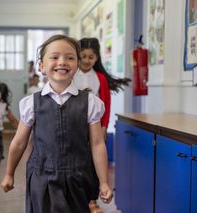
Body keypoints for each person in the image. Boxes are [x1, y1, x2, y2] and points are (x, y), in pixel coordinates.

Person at [1, 34, 113, 213]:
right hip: (41, 176)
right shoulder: (31, 103)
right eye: (54, 57)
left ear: (77, 65)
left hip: (78, 176)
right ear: (42, 66)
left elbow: (97, 144)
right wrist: (9, 173)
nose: (62, 62)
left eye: (70, 57)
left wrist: (104, 181)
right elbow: (19, 142)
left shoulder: (90, 103)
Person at [74, 38, 130, 212]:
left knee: (94, 165)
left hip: (95, 128)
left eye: (91, 57)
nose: (86, 60)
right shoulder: (71, 74)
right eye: (83, 56)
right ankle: (77, 198)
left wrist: (104, 127)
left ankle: (92, 201)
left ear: (97, 58)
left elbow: (106, 103)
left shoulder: (100, 79)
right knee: (76, 163)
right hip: (75, 127)